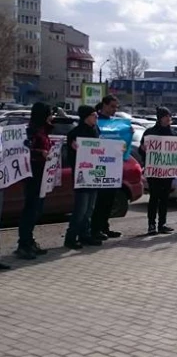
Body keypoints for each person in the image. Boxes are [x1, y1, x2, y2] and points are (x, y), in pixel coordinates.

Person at [16, 102, 54, 259]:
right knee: (30, 210)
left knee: (37, 210)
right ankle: (23, 244)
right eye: (49, 114)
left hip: (42, 176)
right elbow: (25, 151)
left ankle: (29, 240)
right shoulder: (32, 132)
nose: (52, 117)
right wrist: (41, 153)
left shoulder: (43, 130)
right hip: (32, 175)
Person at [64, 105, 102, 249]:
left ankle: (85, 234)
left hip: (94, 175)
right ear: (86, 116)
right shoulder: (75, 133)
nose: (96, 118)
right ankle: (71, 237)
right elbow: (72, 156)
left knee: (89, 209)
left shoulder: (96, 130)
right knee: (80, 209)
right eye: (94, 115)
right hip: (82, 175)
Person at [140, 107, 177, 235]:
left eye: (170, 116)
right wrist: (143, 149)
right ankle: (151, 225)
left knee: (164, 199)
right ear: (160, 118)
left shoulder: (174, 134)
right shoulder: (150, 132)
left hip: (167, 172)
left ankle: (162, 224)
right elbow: (143, 151)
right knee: (154, 198)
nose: (169, 119)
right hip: (154, 172)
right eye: (166, 116)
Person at [89, 95, 122, 241]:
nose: (115, 110)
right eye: (112, 107)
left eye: (116, 107)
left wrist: (128, 134)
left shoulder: (116, 123)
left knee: (109, 199)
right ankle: (95, 229)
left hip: (113, 165)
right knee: (99, 201)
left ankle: (104, 227)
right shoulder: (96, 122)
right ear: (104, 105)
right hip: (98, 165)